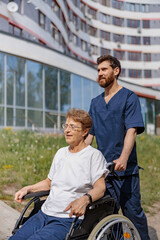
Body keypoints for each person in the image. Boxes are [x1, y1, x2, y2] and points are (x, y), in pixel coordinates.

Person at [9, 108, 108, 240]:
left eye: (72, 127)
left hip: (67, 220)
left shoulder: (93, 156)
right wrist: (29, 188)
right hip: (44, 214)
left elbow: (100, 188)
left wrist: (84, 199)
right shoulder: (61, 153)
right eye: (66, 126)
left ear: (85, 131)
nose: (67, 130)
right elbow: (49, 182)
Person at [85, 55, 150, 240]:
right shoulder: (95, 103)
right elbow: (90, 135)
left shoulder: (129, 97)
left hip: (125, 171)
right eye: (98, 70)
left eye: (104, 69)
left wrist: (122, 158)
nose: (100, 73)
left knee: (134, 216)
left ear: (116, 71)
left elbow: (132, 130)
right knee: (108, 218)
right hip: (104, 173)